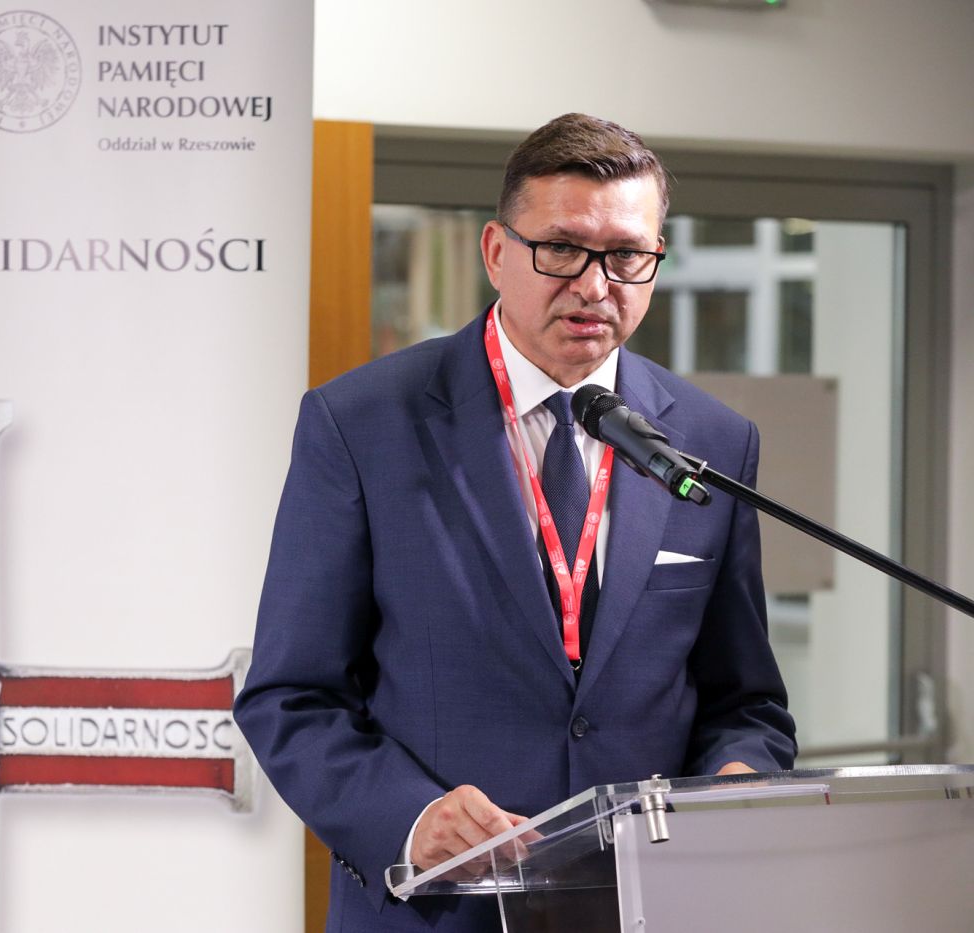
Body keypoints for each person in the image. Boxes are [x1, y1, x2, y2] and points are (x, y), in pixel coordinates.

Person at [233, 113, 797, 931]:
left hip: (648, 909)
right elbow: (290, 695)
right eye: (562, 248)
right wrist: (411, 817)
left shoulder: (711, 441)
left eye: (626, 255)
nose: (595, 286)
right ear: (496, 251)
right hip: (441, 909)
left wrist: (737, 780)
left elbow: (745, 700)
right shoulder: (361, 424)